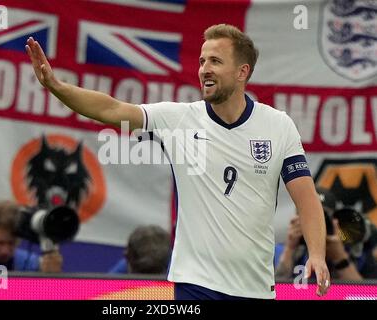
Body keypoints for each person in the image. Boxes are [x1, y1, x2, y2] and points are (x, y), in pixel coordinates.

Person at [26, 23, 330, 299]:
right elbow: (113, 110)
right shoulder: (178, 119)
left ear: (242, 72)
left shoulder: (278, 125)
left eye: (215, 61)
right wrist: (58, 87)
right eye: (202, 61)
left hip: (255, 288)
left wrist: (316, 254)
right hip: (195, 284)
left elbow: (306, 199)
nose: (204, 69)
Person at [276, 188, 377, 281]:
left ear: (335, 221)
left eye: (322, 218)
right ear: (298, 219)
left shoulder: (356, 253)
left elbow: (365, 294)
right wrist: (290, 249)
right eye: (309, 217)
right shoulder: (279, 251)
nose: (316, 225)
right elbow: (274, 289)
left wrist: (340, 258)